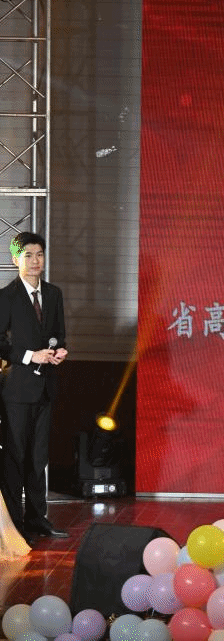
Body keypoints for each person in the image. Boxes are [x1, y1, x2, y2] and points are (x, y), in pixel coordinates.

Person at [0, 231, 68, 542]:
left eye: (39, 254)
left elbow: (59, 335)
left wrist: (59, 352)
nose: (35, 261)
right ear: (16, 259)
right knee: (15, 458)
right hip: (16, 391)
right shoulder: (6, 296)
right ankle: (16, 524)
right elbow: (1, 344)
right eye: (28, 255)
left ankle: (38, 518)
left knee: (38, 459)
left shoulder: (53, 294)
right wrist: (31, 355)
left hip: (45, 388)